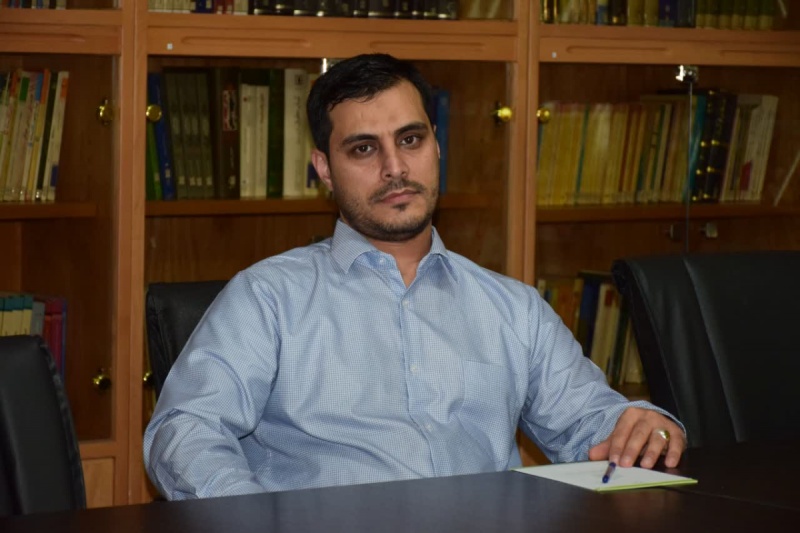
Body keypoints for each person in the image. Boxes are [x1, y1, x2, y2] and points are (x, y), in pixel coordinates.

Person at [144, 54, 685, 500]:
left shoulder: (513, 308)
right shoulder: (267, 298)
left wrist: (644, 425)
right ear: (324, 168)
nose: (395, 168)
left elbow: (594, 426)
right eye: (364, 148)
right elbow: (185, 431)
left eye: (410, 139)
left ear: (436, 145)